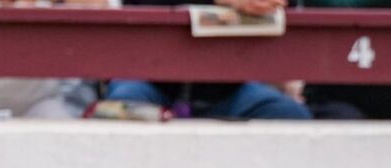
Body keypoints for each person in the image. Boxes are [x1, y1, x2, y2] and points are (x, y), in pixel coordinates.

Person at [103, 0, 311, 120]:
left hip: (230, 89)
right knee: (122, 107)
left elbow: (287, 6)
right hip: (149, 82)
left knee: (291, 115)